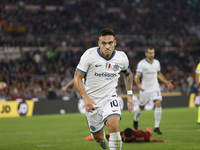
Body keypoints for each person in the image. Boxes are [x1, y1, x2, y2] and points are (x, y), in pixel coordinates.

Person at [74, 28, 134, 150]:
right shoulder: (89, 55)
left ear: (115, 43)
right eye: (104, 43)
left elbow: (128, 74)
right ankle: (103, 142)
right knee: (98, 138)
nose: (107, 46)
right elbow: (77, 78)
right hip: (92, 101)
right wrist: (85, 98)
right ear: (99, 43)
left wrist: (130, 94)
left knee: (114, 125)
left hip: (110, 98)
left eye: (110, 43)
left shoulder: (122, 57)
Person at [134, 46, 174, 135]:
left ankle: (156, 127)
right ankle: (136, 119)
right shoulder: (142, 64)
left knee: (158, 103)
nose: (152, 55)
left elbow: (158, 74)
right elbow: (137, 76)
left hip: (155, 87)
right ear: (146, 54)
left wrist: (166, 82)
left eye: (153, 53)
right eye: (150, 53)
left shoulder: (156, 62)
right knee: (141, 107)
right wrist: (138, 84)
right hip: (145, 88)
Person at [85, 127, 171, 143]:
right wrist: (93, 137)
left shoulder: (140, 136)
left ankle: (148, 129)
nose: (124, 139)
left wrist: (164, 141)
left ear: (132, 137)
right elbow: (107, 136)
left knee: (148, 134)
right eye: (124, 138)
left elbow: (153, 139)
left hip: (141, 132)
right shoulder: (121, 134)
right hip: (131, 132)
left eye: (126, 139)